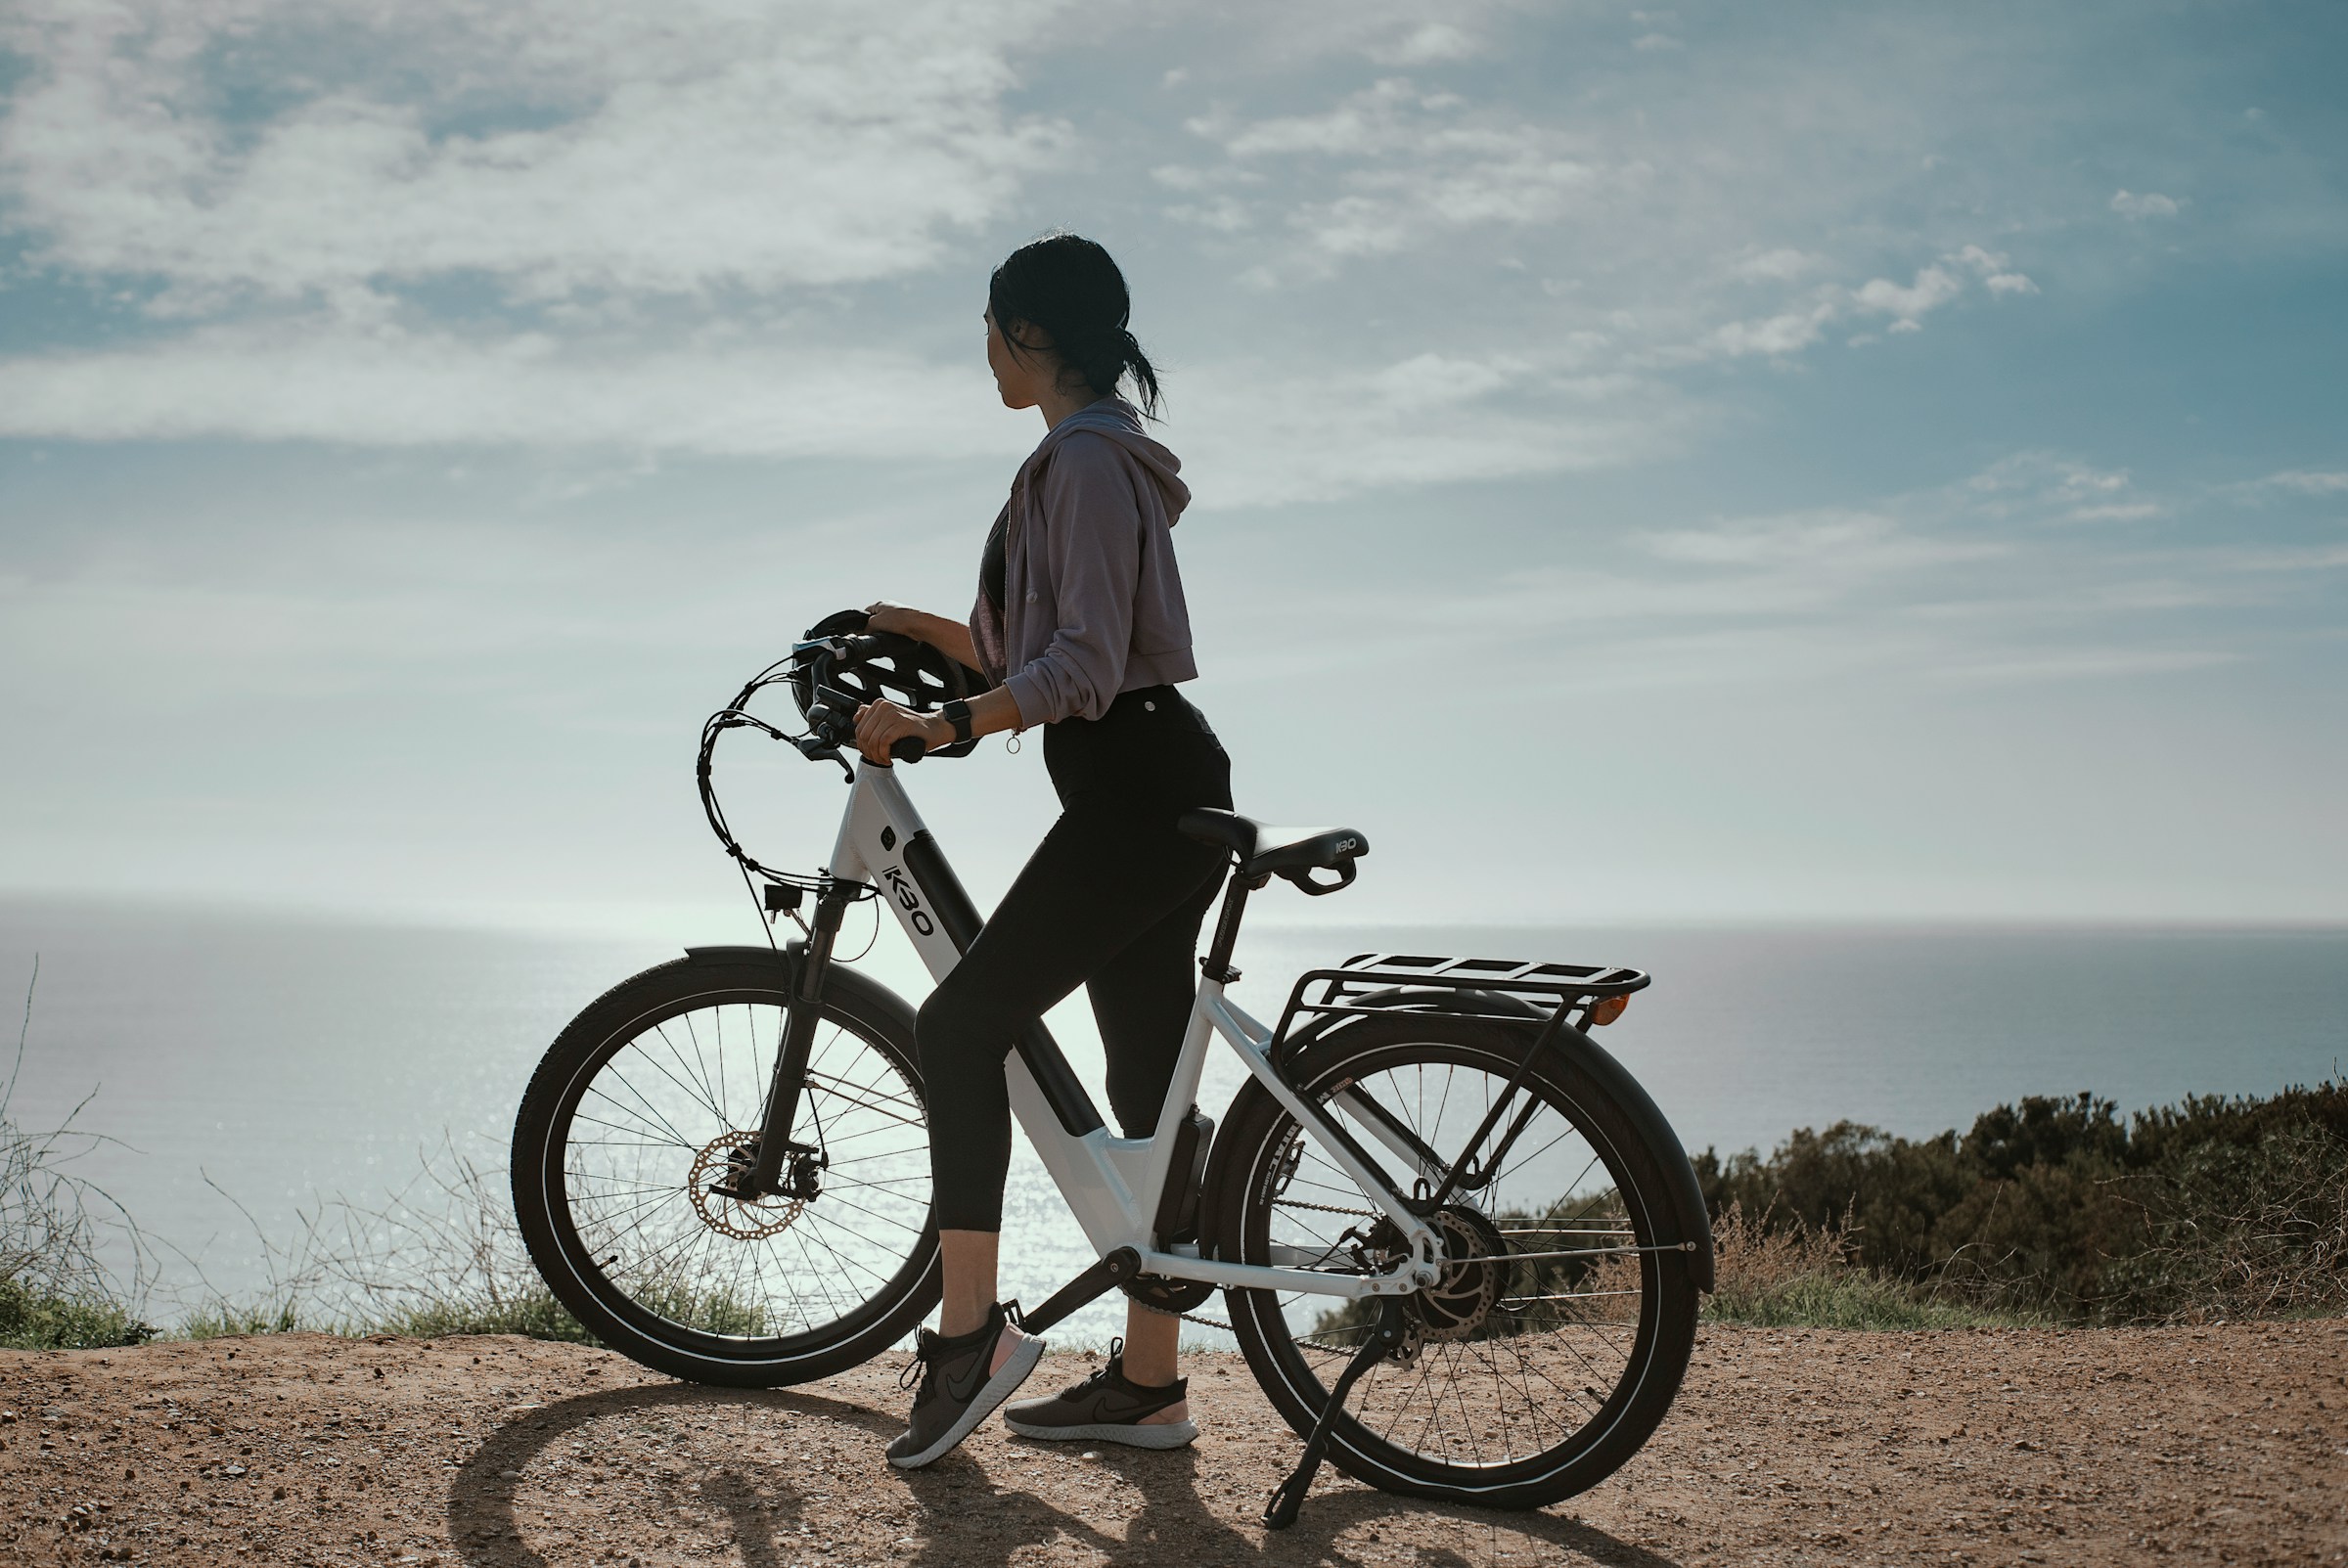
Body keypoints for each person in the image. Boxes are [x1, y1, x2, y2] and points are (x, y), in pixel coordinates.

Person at [851, 233, 1234, 1470]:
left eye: (987, 330)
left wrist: (947, 722)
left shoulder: (1079, 462)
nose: (981, 352)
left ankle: (969, 1339)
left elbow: (1071, 667)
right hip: (1155, 781)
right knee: (1145, 1087)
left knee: (959, 1025)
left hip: (1134, 794)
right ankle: (1149, 1387)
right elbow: (1031, 643)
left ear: (1026, 335)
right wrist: (893, 630)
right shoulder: (1089, 457)